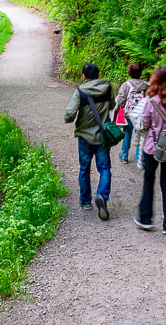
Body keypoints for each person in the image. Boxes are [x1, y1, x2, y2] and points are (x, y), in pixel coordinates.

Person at [133, 65, 166, 237]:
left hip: (152, 147)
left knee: (149, 180)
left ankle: (145, 218)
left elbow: (145, 124)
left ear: (154, 81)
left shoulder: (150, 102)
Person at [63, 62, 115, 220]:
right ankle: (102, 195)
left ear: (83, 76)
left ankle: (86, 201)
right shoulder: (108, 87)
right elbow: (112, 105)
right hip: (102, 137)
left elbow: (69, 115)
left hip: (85, 137)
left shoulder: (80, 91)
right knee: (104, 168)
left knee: (84, 168)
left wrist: (70, 116)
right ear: (98, 75)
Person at [115, 62, 149, 164]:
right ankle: (140, 158)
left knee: (127, 135)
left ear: (129, 72)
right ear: (140, 72)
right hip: (141, 115)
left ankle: (124, 156)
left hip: (128, 115)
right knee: (139, 136)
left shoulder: (126, 85)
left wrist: (118, 108)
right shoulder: (146, 85)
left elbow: (120, 100)